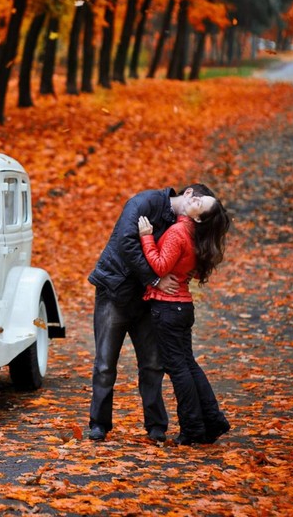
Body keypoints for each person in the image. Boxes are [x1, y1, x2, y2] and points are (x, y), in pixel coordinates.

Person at [87, 185, 216, 442]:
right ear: (188, 193)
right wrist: (154, 280)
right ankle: (99, 424)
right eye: (198, 203)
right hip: (115, 290)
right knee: (104, 364)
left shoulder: (183, 224)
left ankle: (156, 425)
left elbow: (184, 255)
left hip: (149, 302)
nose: (195, 214)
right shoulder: (144, 203)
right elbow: (126, 242)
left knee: (153, 364)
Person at [138, 183, 232, 445]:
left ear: (199, 216)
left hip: (168, 308)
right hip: (182, 307)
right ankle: (212, 421)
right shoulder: (194, 234)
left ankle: (193, 429)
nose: (194, 200)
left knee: (179, 369)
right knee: (187, 364)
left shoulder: (179, 232)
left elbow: (159, 266)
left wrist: (146, 237)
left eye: (199, 203)